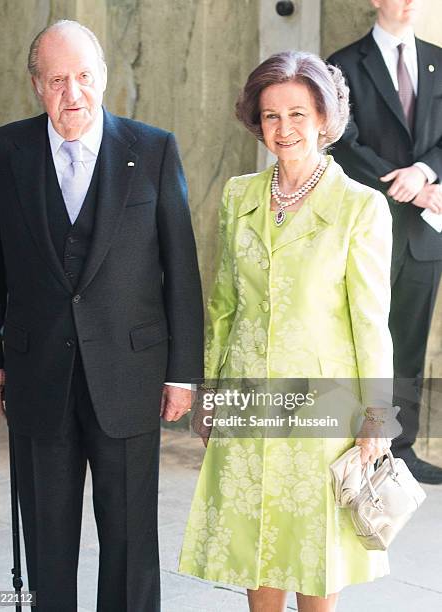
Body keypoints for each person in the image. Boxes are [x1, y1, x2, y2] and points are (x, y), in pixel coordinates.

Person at [0, 20, 203, 612]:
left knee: (129, 540)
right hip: (36, 372)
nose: (71, 93)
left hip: (130, 373)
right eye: (56, 80)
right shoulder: (3, 150)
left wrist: (183, 372)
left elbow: (182, 269)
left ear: (102, 78)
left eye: (82, 77)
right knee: (47, 538)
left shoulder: (152, 149)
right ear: (35, 86)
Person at [179, 51, 394, 612]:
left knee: (314, 552)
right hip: (248, 396)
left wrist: (377, 415)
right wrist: (210, 392)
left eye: (299, 114)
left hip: (323, 407)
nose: (284, 129)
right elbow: (223, 301)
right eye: (271, 116)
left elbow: (371, 321)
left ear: (324, 118)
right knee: (254, 543)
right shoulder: (238, 195)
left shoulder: (359, 207)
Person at [327, 0, 442, 484]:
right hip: (368, 226)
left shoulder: (439, 60)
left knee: (410, 345)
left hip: (423, 232)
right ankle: (355, 446)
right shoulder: (344, 64)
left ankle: (401, 450)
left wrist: (425, 173)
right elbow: (341, 138)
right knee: (361, 340)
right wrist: (400, 182)